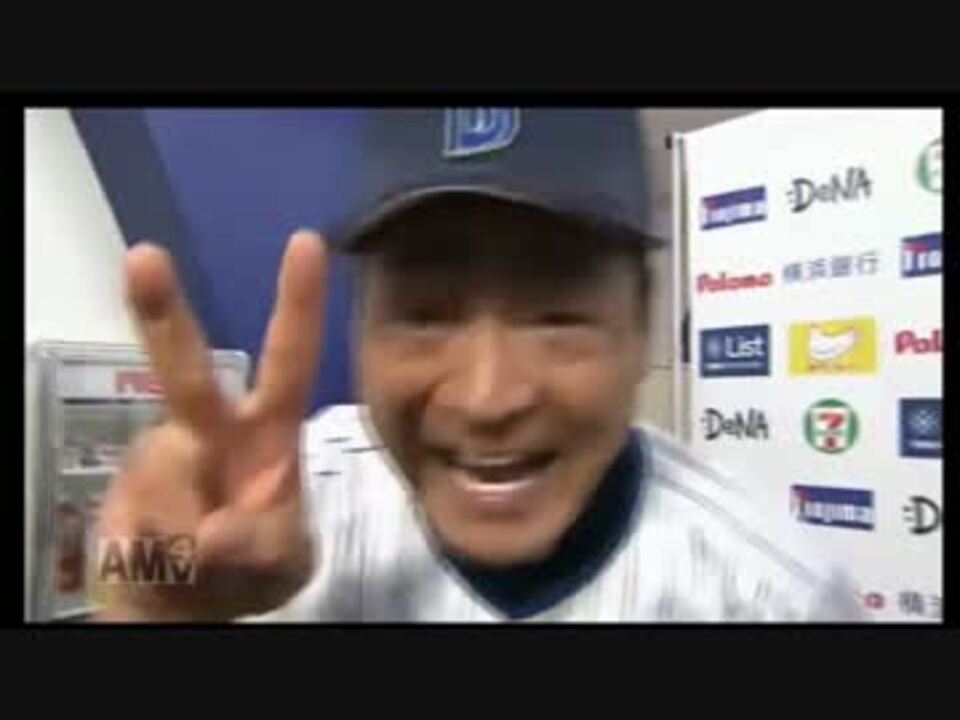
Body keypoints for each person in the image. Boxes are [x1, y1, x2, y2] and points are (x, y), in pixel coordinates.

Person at [98, 109, 865, 622]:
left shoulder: (775, 596)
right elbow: (121, 570)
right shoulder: (277, 509)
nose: (487, 396)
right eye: (425, 313)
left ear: (641, 327)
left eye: (557, 313)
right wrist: (147, 594)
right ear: (359, 328)